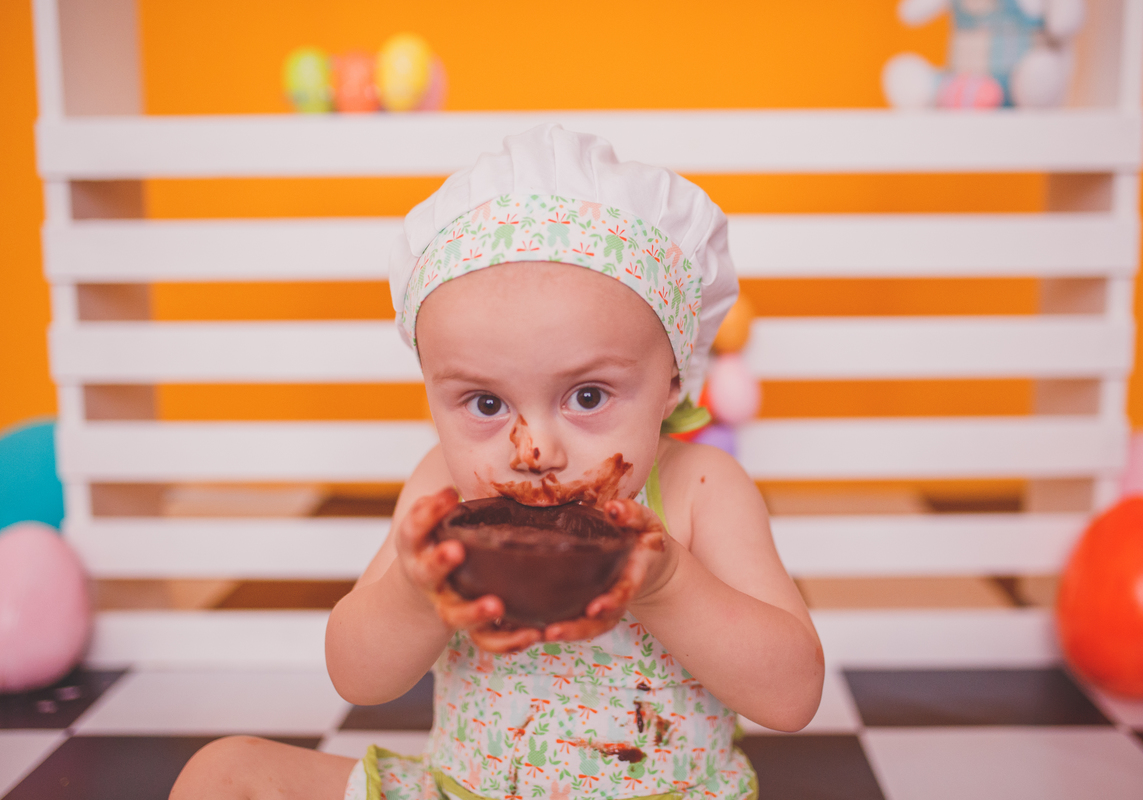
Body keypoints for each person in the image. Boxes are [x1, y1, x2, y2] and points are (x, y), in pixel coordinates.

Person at [171, 124, 824, 800]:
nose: (533, 451)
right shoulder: (441, 487)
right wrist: (414, 591)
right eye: (486, 403)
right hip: (461, 790)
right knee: (225, 771)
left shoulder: (700, 488)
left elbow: (792, 697)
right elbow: (358, 679)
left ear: (671, 385)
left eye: (588, 396)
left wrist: (669, 584)